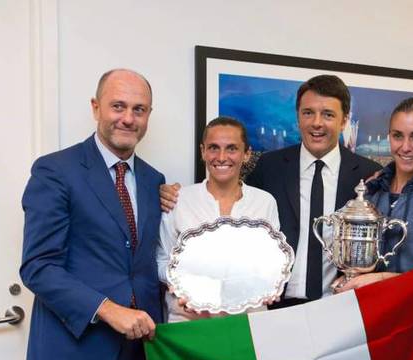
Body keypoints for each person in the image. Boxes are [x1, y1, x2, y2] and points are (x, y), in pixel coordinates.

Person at [20, 69, 165, 360]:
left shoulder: (154, 181)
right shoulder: (55, 170)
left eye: (139, 109)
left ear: (148, 116)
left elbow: (145, 262)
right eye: (118, 106)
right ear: (96, 107)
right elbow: (38, 266)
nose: (128, 118)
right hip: (73, 358)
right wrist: (108, 309)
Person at [160, 75, 381, 307]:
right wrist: (170, 193)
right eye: (308, 113)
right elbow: (231, 199)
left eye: (328, 114)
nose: (316, 123)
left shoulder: (368, 174)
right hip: (274, 305)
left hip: (340, 303)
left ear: (344, 121)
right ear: (298, 117)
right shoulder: (269, 166)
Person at [157, 116, 280, 322]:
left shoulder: (265, 202)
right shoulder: (179, 200)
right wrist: (182, 283)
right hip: (189, 320)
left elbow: (272, 262)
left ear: (246, 154)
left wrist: (271, 283)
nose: (221, 157)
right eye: (214, 148)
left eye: (232, 148)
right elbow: (162, 260)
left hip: (249, 321)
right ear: (203, 151)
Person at [334, 97, 413, 291]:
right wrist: (348, 277)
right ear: (389, 136)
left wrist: (382, 279)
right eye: (398, 136)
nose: (405, 147)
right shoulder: (371, 192)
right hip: (368, 307)